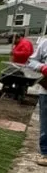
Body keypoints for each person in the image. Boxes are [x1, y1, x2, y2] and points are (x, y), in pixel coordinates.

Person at [26, 35, 47, 166]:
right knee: (46, 123)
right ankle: (45, 153)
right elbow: (31, 62)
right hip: (46, 91)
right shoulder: (45, 43)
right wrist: (42, 67)